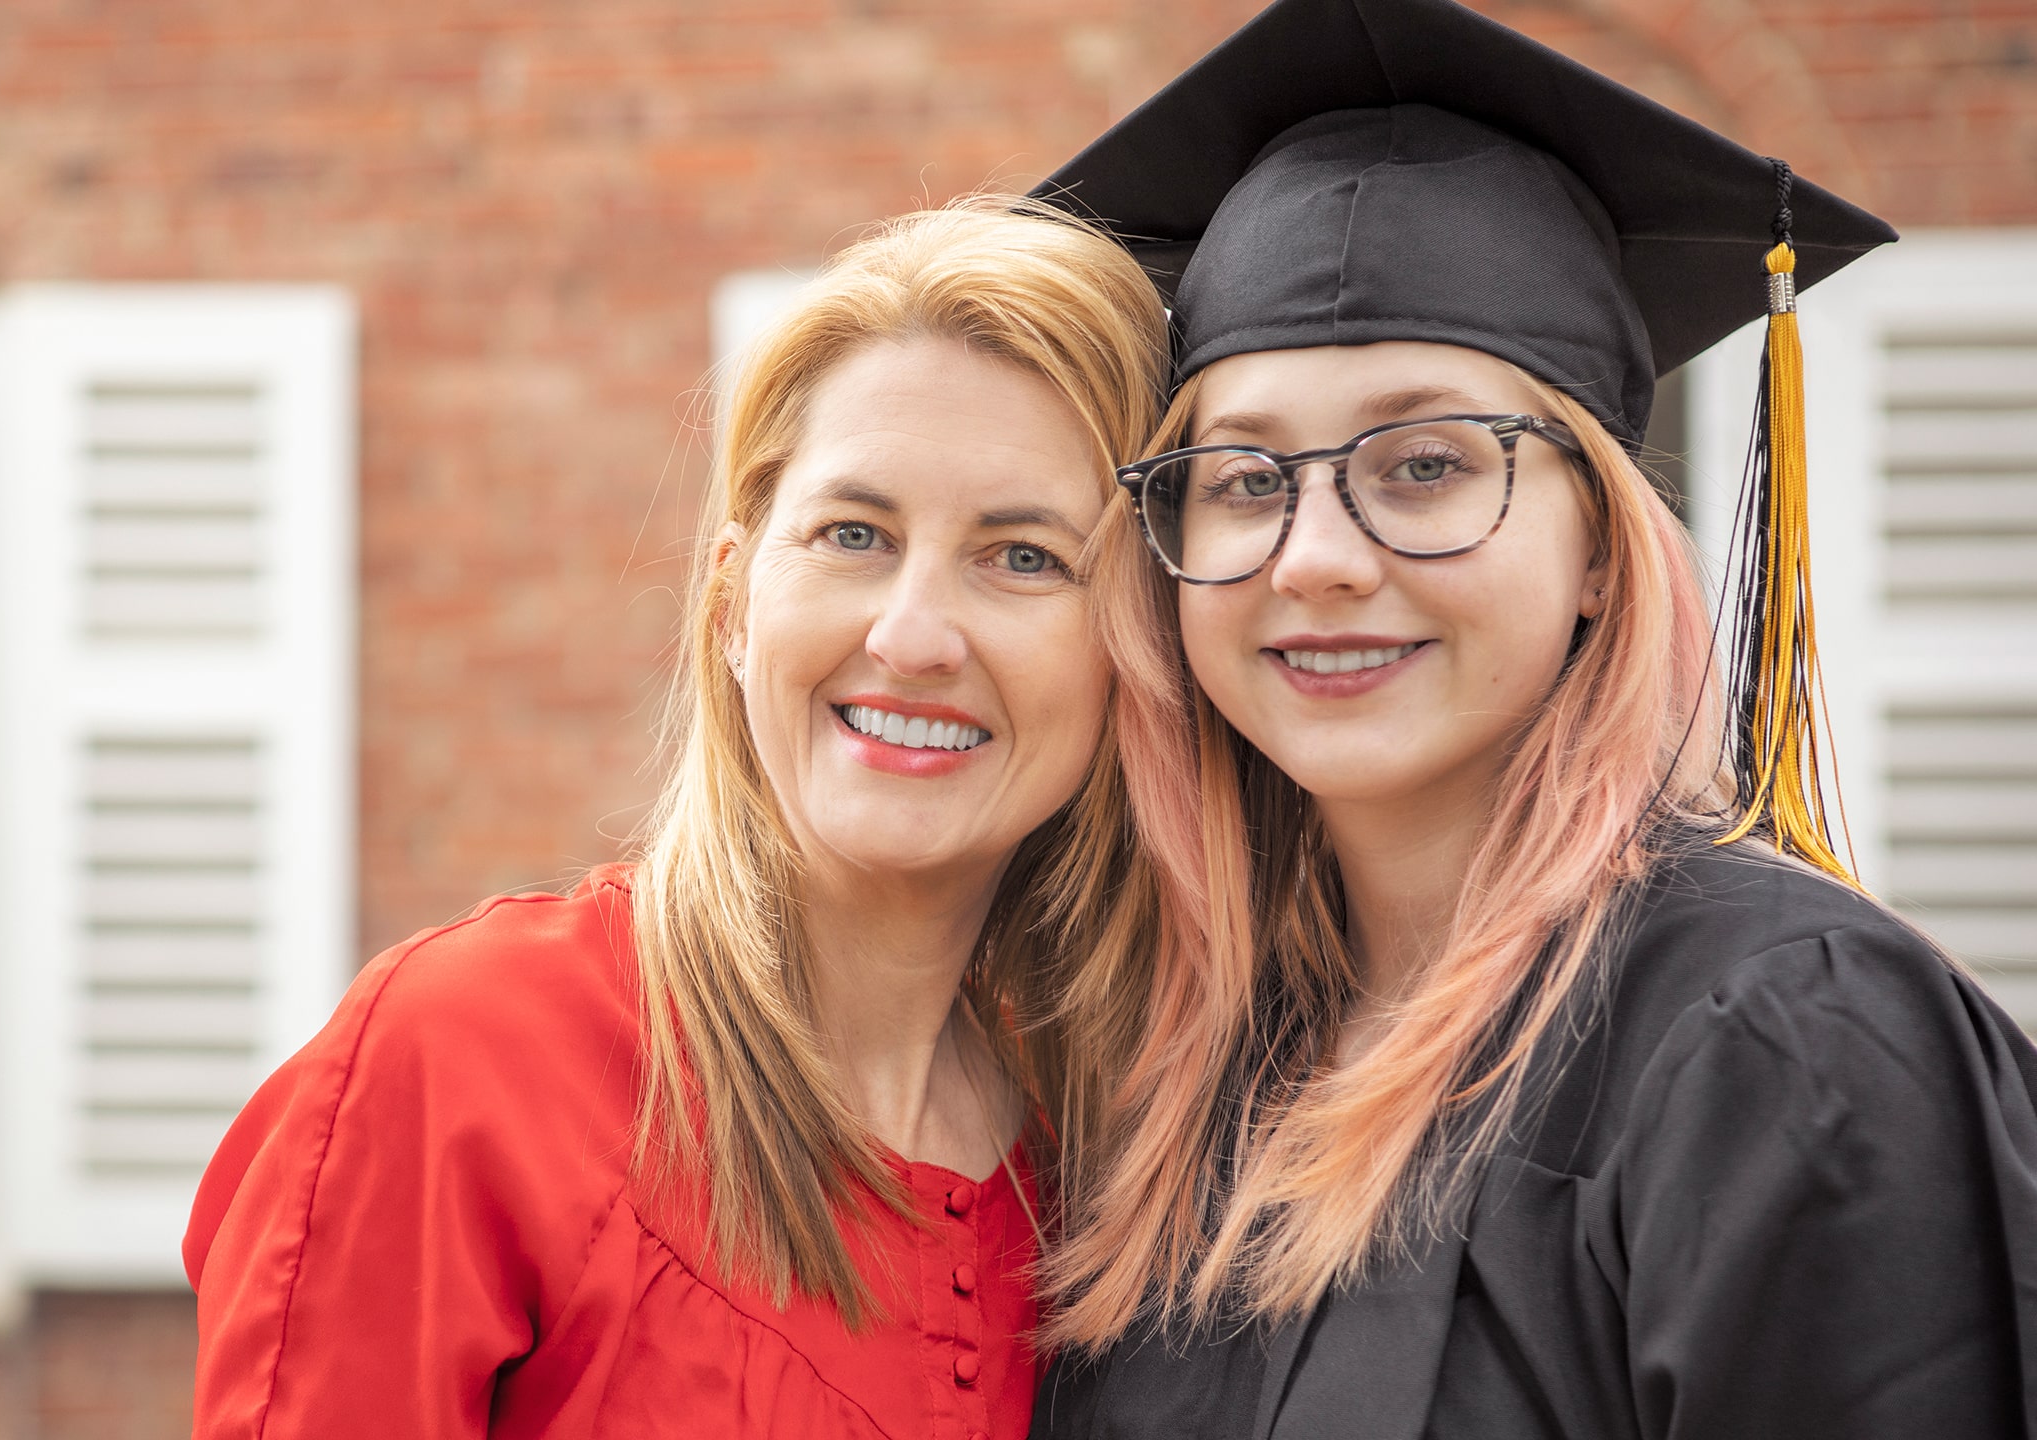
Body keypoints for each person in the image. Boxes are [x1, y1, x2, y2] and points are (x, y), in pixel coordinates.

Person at [1019, 0, 2037, 1435]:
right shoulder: (1185, 1085)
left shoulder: (1783, 1043)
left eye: (1427, 463)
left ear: (1604, 550)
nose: (1314, 555)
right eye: (1246, 480)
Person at [182, 197, 1171, 1439]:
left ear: (1128, 649)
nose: (913, 635)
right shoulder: (468, 1062)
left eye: (1024, 557)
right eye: (853, 535)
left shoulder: (1107, 1169)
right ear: (733, 606)